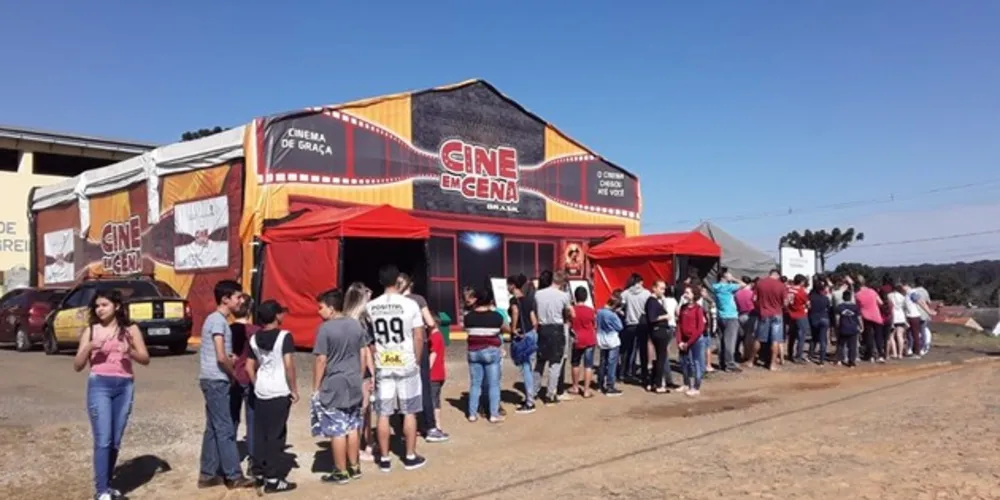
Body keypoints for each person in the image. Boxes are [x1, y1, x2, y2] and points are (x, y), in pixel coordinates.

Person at [73, 289, 150, 500]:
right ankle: (101, 492)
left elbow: (145, 358)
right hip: (100, 385)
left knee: (115, 440)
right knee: (103, 439)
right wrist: (89, 347)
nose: (100, 309)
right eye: (97, 306)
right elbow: (77, 365)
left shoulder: (130, 329)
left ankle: (107, 486)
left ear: (116, 306)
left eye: (104, 305)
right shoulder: (91, 330)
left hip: (124, 386)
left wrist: (129, 351)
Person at [365, 265, 427, 472]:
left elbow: (371, 339)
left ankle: (384, 458)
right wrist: (417, 361)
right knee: (409, 411)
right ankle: (410, 455)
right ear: (398, 281)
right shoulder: (410, 305)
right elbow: (418, 336)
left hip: (384, 361)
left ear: (380, 281)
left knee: (383, 413)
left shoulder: (371, 306)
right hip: (406, 360)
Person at [198, 280, 255, 489]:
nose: (240, 301)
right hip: (217, 379)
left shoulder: (217, 320)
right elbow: (221, 356)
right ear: (225, 299)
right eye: (237, 297)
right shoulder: (218, 321)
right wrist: (232, 373)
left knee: (213, 427)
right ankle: (233, 475)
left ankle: (208, 473)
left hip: (211, 378)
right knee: (225, 428)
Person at [311, 288, 368, 484]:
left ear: (332, 308)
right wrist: (359, 376)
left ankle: (341, 471)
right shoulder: (356, 325)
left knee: (337, 429)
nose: (319, 311)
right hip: (354, 381)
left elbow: (321, 360)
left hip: (335, 382)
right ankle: (354, 466)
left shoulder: (325, 329)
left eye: (321, 307)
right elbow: (363, 353)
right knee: (353, 425)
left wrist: (316, 387)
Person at [245, 300, 298, 493]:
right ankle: (273, 479)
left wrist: (256, 383)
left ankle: (258, 472)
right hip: (279, 389)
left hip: (262, 389)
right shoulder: (284, 337)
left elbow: (249, 367)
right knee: (276, 435)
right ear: (276, 316)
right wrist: (294, 389)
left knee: (260, 432)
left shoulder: (254, 338)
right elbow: (288, 365)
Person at [396, 273, 449, 443]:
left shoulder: (393, 302)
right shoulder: (418, 299)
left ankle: (405, 427)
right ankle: (430, 426)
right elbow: (431, 322)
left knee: (403, 386)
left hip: (399, 347)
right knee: (424, 386)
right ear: (410, 284)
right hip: (418, 344)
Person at [342, 283, 376, 462]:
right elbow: (367, 350)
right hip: (359, 371)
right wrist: (373, 372)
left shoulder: (343, 321)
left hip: (346, 370)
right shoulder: (361, 323)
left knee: (362, 409)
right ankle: (358, 448)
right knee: (361, 410)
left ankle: (367, 442)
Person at [464, 287, 507, 422]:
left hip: (473, 352)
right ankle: (494, 414)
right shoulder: (497, 317)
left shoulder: (468, 317)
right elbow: (505, 329)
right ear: (490, 300)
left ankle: (472, 414)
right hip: (491, 351)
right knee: (494, 384)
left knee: (475, 384)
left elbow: (467, 330)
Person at [533, 270, 574, 405]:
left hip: (542, 328)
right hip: (557, 328)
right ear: (563, 282)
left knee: (540, 361)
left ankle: (533, 391)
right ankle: (550, 394)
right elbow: (570, 313)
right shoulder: (564, 296)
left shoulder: (538, 294)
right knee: (555, 363)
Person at [229, 294, 258, 467]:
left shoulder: (228, 330)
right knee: (252, 420)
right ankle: (253, 459)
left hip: (233, 377)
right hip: (251, 378)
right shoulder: (256, 331)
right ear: (250, 310)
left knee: (232, 418)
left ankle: (229, 458)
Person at [507, 274, 538, 413]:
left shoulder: (514, 300)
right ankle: (530, 397)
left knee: (525, 369)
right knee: (529, 367)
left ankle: (530, 401)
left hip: (521, 335)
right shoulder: (528, 299)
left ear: (513, 285)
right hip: (531, 334)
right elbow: (534, 319)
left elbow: (515, 311)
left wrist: (513, 328)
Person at [746, 269, 787, 371]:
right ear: (777, 275)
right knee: (775, 340)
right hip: (777, 313)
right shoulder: (781, 285)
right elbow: (785, 303)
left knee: (758, 338)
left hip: (764, 313)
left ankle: (751, 361)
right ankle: (772, 364)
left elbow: (754, 299)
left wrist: (759, 308)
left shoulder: (760, 283)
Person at [712, 269, 746, 372]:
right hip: (731, 316)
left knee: (722, 341)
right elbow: (744, 285)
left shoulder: (716, 287)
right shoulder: (728, 287)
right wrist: (733, 279)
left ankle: (722, 362)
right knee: (730, 342)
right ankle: (730, 364)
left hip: (721, 316)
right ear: (724, 276)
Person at [645, 280, 675, 393]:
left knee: (658, 358)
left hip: (658, 331)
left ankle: (652, 382)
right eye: (661, 288)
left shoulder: (655, 301)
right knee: (661, 358)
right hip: (659, 331)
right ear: (654, 288)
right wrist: (665, 316)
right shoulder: (652, 302)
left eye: (664, 289)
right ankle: (658, 385)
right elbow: (652, 318)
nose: (663, 291)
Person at [619, 273, 651, 383]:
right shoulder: (646, 293)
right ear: (640, 282)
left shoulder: (626, 293)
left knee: (628, 350)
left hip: (629, 324)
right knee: (642, 350)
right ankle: (644, 374)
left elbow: (619, 307)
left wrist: (624, 313)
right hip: (643, 324)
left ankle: (624, 372)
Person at [676, 286, 707, 396]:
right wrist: (679, 341)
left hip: (696, 340)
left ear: (694, 295)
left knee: (696, 362)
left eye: (688, 292)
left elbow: (700, 328)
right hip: (684, 339)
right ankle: (686, 383)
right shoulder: (683, 307)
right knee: (683, 362)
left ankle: (696, 387)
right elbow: (679, 325)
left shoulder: (698, 309)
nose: (685, 294)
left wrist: (688, 343)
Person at [567, 286, 597, 398]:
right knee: (588, 365)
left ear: (575, 297)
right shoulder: (591, 310)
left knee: (575, 363)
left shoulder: (572, 310)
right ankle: (586, 390)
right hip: (589, 338)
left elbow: (569, 324)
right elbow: (594, 324)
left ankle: (575, 386)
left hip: (577, 339)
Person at [596, 290, 624, 396]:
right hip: (612, 340)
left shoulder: (599, 312)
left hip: (601, 339)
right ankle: (610, 386)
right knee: (612, 364)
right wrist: (616, 314)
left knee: (603, 362)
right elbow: (620, 327)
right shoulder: (612, 315)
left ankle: (600, 384)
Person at [855, 278, 885, 363]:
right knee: (878, 336)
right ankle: (880, 355)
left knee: (869, 337)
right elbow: (880, 303)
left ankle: (871, 355)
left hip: (866, 317)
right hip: (876, 316)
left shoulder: (857, 295)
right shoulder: (872, 291)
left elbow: (857, 308)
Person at [835, 289, 863, 367]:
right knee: (852, 346)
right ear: (850, 298)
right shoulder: (855, 307)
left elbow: (837, 319)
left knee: (841, 345)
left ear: (843, 297)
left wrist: (837, 327)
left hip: (843, 327)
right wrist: (861, 326)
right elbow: (859, 318)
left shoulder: (839, 307)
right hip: (853, 328)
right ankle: (851, 362)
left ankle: (839, 360)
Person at [786, 275, 810, 363]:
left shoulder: (789, 289)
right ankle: (798, 356)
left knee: (792, 336)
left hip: (791, 314)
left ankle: (790, 353)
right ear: (801, 282)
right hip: (800, 314)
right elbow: (808, 304)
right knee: (801, 336)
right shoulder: (801, 291)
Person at [427, 325, 447, 431]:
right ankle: (435, 424)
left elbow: (433, 354)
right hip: (439, 374)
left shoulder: (434, 337)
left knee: (432, 400)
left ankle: (436, 425)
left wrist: (426, 369)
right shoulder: (439, 336)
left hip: (433, 375)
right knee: (435, 399)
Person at [808, 282, 832, 365]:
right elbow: (829, 308)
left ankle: (811, 354)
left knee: (814, 337)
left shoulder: (811, 298)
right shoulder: (826, 298)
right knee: (823, 340)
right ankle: (821, 360)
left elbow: (809, 308)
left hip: (814, 318)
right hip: (824, 318)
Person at [734, 276, 756, 363]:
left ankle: (737, 353)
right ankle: (747, 355)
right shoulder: (752, 293)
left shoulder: (737, 293)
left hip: (740, 315)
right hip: (750, 315)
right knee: (749, 336)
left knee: (740, 336)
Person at [888, 284, 908, 359]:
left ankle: (894, 353)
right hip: (901, 317)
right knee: (900, 335)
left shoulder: (889, 295)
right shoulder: (902, 297)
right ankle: (900, 354)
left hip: (893, 317)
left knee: (891, 336)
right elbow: (905, 308)